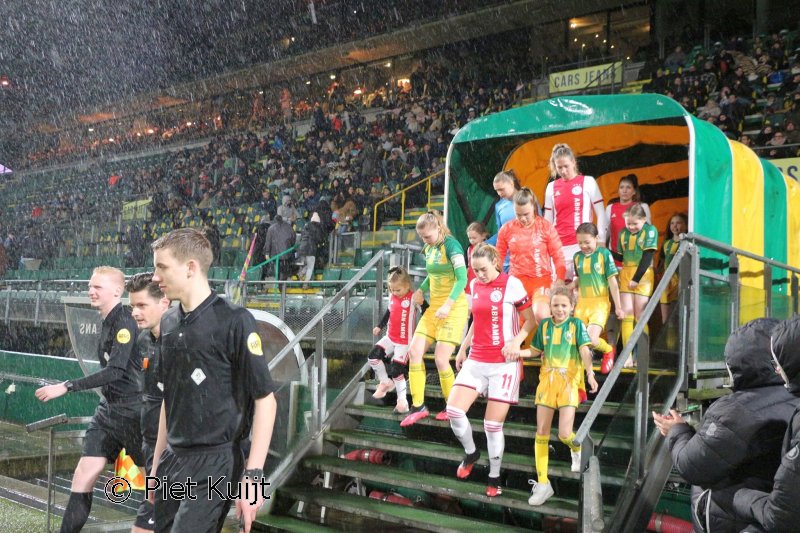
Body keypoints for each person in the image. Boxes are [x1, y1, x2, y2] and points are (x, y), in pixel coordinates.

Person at [149, 228, 278, 533]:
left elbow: (266, 400)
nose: (155, 277)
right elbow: (171, 400)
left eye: (162, 267)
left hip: (215, 462)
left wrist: (254, 475)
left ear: (191, 267)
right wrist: (156, 466)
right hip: (172, 460)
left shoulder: (235, 320)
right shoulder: (167, 322)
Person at [652, 318, 798, 533]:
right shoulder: (792, 396)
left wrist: (676, 429)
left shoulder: (735, 411)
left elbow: (692, 466)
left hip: (736, 521)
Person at [35, 266, 144, 533]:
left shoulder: (125, 321)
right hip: (108, 412)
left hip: (133, 413)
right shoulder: (108, 320)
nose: (91, 291)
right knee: (84, 473)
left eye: (98, 287)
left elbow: (115, 370)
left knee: (152, 484)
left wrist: (67, 386)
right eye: (90, 286)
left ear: (117, 291)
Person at [448, 243, 535, 497]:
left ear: (496, 262)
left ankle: (494, 476)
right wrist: (463, 347)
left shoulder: (513, 284)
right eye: (475, 270)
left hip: (503, 365)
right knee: (453, 411)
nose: (479, 275)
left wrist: (516, 342)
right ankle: (471, 452)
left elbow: (531, 320)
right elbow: (477, 319)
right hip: (476, 359)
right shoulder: (474, 285)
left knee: (491, 426)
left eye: (483, 269)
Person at [515, 286, 598, 506]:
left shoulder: (577, 325)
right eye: (555, 305)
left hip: (569, 382)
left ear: (572, 307)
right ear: (550, 307)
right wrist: (517, 352)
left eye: (563, 305)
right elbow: (534, 351)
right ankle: (543, 484)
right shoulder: (544, 326)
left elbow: (584, 351)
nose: (559, 309)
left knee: (563, 434)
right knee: (541, 431)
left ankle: (577, 447)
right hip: (547, 382)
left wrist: (590, 374)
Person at [720, 316, 800, 532]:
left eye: (777, 362)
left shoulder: (729, 410)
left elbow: (782, 517)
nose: (776, 369)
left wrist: (739, 496)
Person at [400, 211, 469, 427]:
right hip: (434, 310)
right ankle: (418, 406)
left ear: (438, 228)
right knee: (414, 352)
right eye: (422, 237)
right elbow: (433, 274)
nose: (425, 241)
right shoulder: (430, 247)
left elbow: (462, 278)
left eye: (427, 237)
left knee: (441, 359)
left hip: (453, 307)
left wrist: (448, 304)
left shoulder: (453, 246)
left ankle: (453, 407)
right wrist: (421, 289)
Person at [126, 272, 170, 533]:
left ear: (164, 302)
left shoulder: (182, 342)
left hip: (174, 453)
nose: (134, 312)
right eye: (132, 306)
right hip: (150, 445)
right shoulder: (142, 340)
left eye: (141, 305)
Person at [496, 187, 566, 326]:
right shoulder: (506, 229)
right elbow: (498, 257)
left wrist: (560, 279)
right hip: (516, 283)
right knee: (510, 321)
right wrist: (496, 280)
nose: (522, 218)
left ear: (533, 207)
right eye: (518, 214)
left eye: (526, 214)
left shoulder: (545, 227)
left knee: (541, 314)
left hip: (541, 281)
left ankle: (551, 346)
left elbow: (558, 256)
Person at [543, 143, 607, 281]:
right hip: (558, 246)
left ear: (573, 162)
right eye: (559, 167)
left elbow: (601, 212)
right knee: (561, 290)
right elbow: (547, 220)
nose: (563, 170)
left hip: (582, 244)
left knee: (582, 288)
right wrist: (545, 244)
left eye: (566, 166)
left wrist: (601, 239)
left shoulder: (588, 182)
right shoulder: (551, 187)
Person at [570, 223, 625, 375]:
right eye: (580, 242)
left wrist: (618, 306)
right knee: (576, 341)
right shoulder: (577, 257)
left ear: (596, 238)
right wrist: (568, 287)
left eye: (587, 242)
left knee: (590, 338)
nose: (583, 246)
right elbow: (580, 279)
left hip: (599, 303)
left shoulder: (603, 254)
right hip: (582, 304)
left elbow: (613, 282)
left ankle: (608, 350)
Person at [370, 267, 427, 414]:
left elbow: (427, 312)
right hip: (390, 337)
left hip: (405, 342)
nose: (395, 293)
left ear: (407, 285)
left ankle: (402, 402)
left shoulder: (413, 297)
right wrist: (379, 326)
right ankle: (385, 382)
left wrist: (423, 304)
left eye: (398, 290)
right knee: (373, 356)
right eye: (392, 290)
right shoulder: (392, 297)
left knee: (396, 369)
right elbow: (388, 313)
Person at [614, 204, 658, 366]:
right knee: (626, 315)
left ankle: (642, 355)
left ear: (644, 219)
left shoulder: (650, 230)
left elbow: (648, 256)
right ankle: (627, 356)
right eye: (628, 224)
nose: (631, 227)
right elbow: (621, 255)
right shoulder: (623, 233)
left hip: (643, 275)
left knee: (640, 316)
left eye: (635, 224)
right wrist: (605, 250)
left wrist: (637, 278)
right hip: (626, 273)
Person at [605, 174, 651, 268]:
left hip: (636, 262)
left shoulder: (642, 207)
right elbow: (605, 234)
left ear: (634, 191)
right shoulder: (610, 208)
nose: (624, 190)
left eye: (628, 187)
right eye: (621, 187)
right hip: (615, 262)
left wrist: (649, 261)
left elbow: (649, 236)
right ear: (618, 190)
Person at [486, 169, 521, 271]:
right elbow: (500, 233)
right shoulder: (499, 206)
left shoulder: (528, 199)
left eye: (501, 189)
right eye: (497, 190)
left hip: (525, 260)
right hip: (506, 262)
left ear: (511, 183)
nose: (499, 193)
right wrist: (486, 243)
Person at [658, 213, 688, 325]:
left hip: (680, 283)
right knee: (666, 322)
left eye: (678, 223)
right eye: (672, 223)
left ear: (686, 225)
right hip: (666, 285)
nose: (675, 226)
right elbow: (662, 263)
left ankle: (679, 342)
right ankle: (668, 342)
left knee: (678, 320)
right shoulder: (666, 244)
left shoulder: (687, 243)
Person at [263, 214, 296, 281]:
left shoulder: (271, 228)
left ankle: (278, 282)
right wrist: (290, 246)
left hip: (275, 253)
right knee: (284, 269)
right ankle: (283, 281)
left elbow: (268, 242)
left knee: (277, 268)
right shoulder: (288, 227)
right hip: (286, 253)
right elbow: (293, 238)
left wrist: (267, 253)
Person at [296, 212, 326, 283]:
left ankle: (300, 274)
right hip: (311, 249)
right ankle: (306, 282)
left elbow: (302, 236)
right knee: (310, 267)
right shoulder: (317, 228)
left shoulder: (306, 226)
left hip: (302, 248)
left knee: (306, 264)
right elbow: (319, 239)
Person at [465, 221, 489, 298]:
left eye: (474, 238)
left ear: (483, 236)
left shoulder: (487, 248)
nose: (472, 240)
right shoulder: (469, 249)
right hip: (470, 282)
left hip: (483, 281)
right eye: (469, 238)